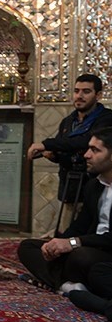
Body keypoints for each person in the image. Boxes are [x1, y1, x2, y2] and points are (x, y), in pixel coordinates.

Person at [18, 127, 112, 293]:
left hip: (104, 253)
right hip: (89, 247)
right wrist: (57, 244)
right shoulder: (94, 186)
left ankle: (62, 282)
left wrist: (73, 243)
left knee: (80, 256)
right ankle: (67, 285)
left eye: (95, 150)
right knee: (28, 247)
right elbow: (80, 224)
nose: (86, 155)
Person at [26, 74, 112, 232]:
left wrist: (46, 144)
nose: (80, 96)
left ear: (98, 95)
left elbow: (83, 142)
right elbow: (65, 149)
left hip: (93, 186)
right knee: (65, 232)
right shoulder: (68, 121)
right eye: (76, 91)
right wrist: (53, 155)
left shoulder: (106, 118)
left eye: (86, 91)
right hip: (70, 187)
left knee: (89, 234)